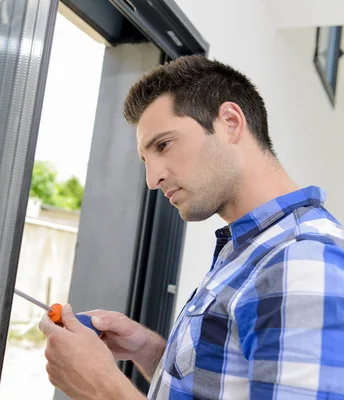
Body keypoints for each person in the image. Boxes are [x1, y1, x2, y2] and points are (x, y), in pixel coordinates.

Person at [39, 55, 344, 399]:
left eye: (164, 145)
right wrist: (151, 351)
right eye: (146, 159)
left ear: (230, 122)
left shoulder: (303, 261)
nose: (153, 178)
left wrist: (102, 388)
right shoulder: (251, 248)